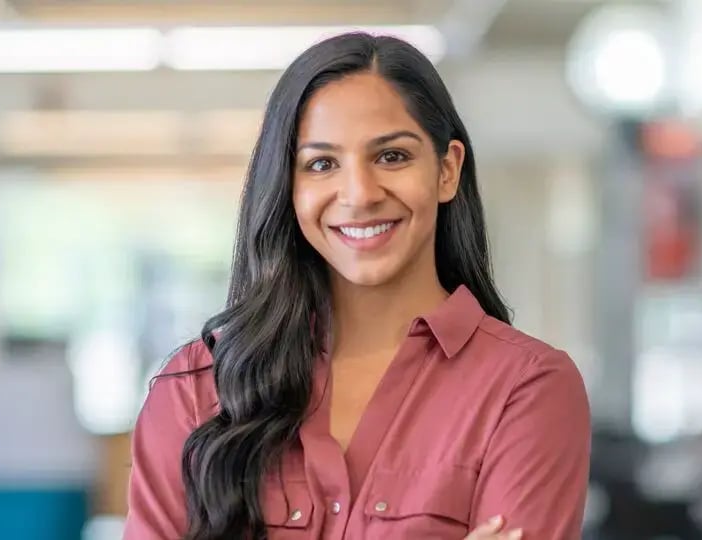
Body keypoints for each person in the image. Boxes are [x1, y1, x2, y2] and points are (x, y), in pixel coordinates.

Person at [124, 32, 590, 540]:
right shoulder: (196, 386)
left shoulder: (525, 390)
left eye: (391, 156)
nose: (360, 194)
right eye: (322, 164)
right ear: (289, 186)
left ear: (447, 170)